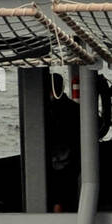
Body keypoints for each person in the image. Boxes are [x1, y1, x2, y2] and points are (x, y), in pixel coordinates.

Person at [44, 73, 81, 213]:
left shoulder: (50, 110)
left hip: (58, 160)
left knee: (57, 196)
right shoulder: (74, 108)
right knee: (67, 194)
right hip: (72, 159)